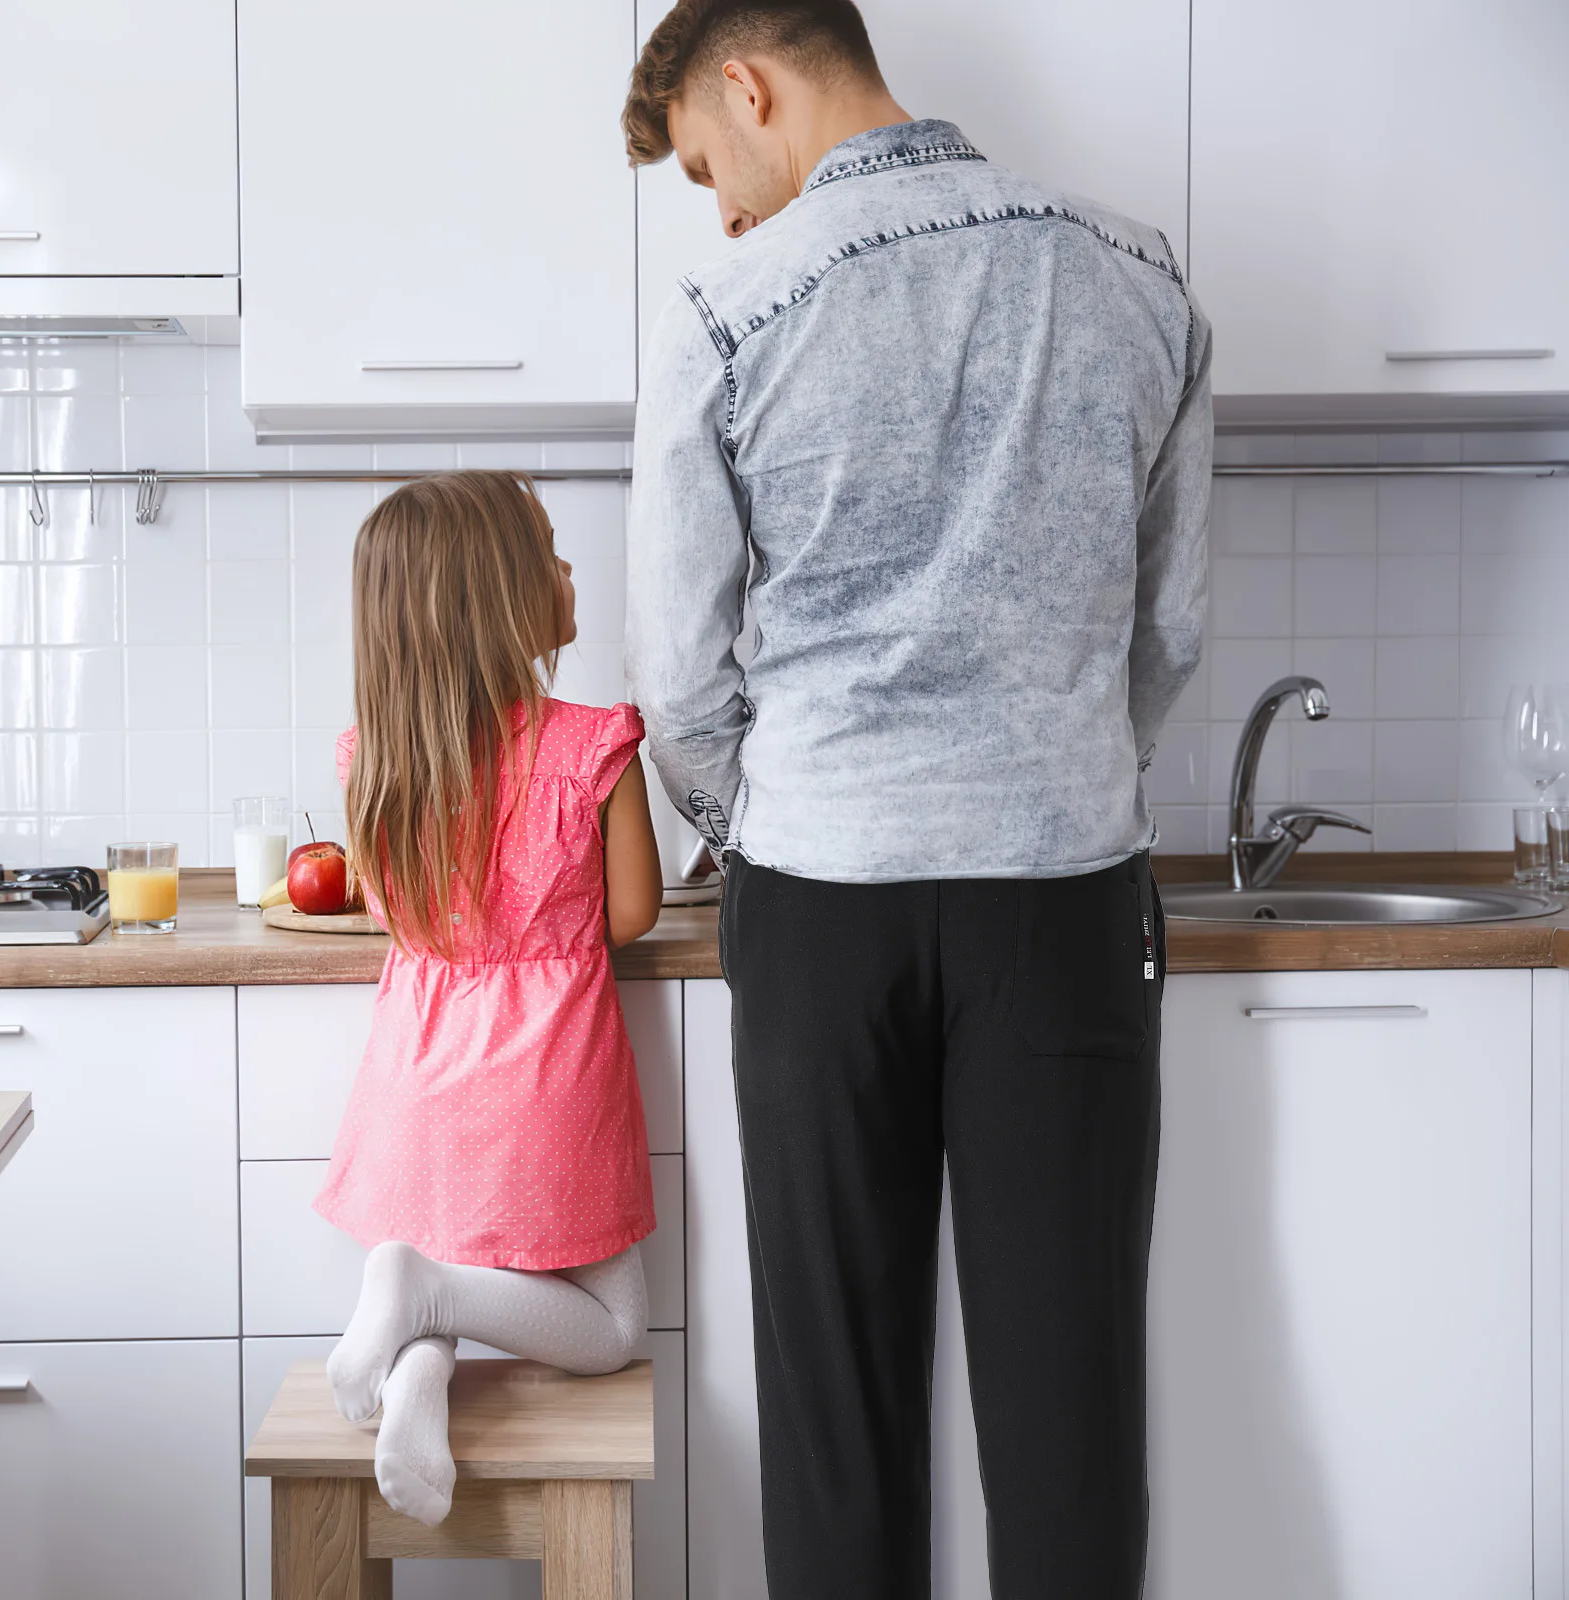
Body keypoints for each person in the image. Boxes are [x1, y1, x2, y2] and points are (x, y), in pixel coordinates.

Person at [623, 3, 1211, 1597]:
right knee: (1071, 1414)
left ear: (747, 85)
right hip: (1065, 893)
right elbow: (1168, 635)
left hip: (819, 906)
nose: (726, 207)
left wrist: (781, 816)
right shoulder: (1139, 273)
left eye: (706, 165)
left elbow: (678, 677)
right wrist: (1057, 769)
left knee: (839, 1417)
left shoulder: (726, 303)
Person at [315, 470, 664, 1527]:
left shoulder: (375, 762)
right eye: (550, 554)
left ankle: (420, 1372)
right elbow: (634, 913)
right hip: (545, 1081)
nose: (570, 570)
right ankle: (425, 1298)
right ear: (498, 598)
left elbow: (388, 908)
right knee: (613, 1330)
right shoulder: (596, 744)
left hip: (416, 1087)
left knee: (448, 1258)